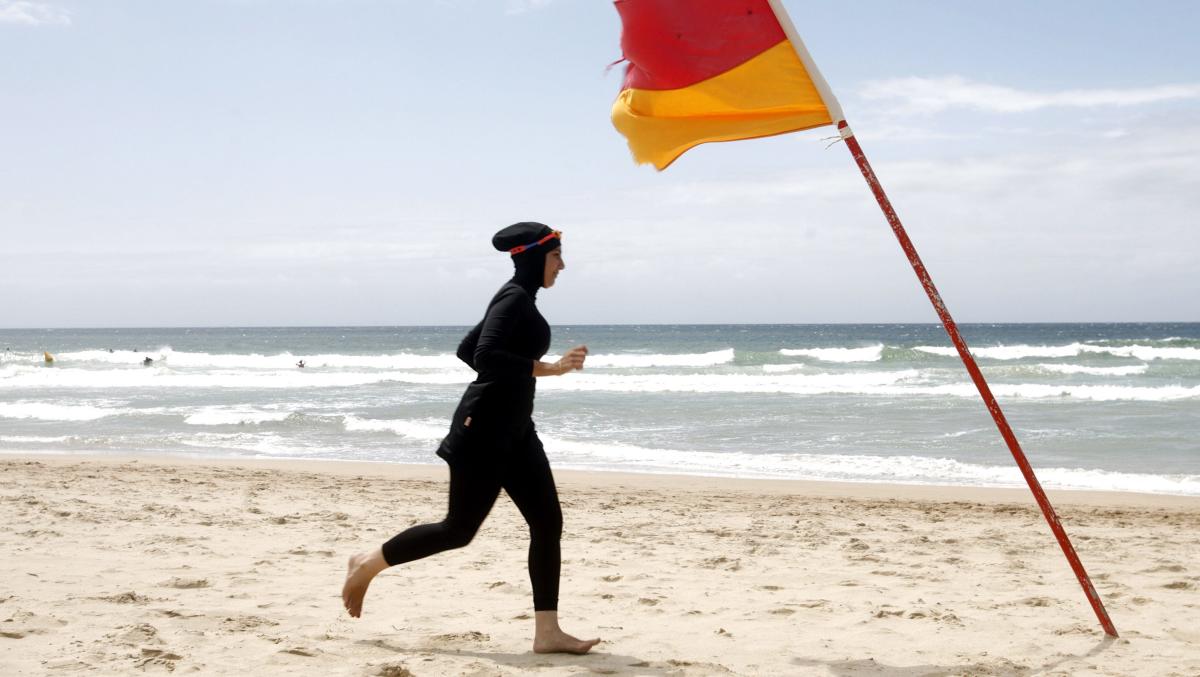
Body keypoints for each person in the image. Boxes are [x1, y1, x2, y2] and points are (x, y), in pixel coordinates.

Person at [341, 222, 598, 654]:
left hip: (516, 429)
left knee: (547, 522)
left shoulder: (516, 298)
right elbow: (484, 355)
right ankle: (368, 562)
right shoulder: (515, 298)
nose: (563, 265)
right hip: (484, 432)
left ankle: (547, 632)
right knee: (458, 530)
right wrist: (550, 368)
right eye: (556, 257)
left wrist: (536, 370)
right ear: (537, 257)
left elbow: (469, 351)